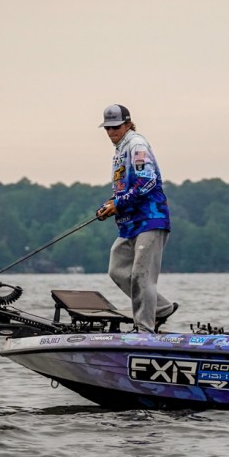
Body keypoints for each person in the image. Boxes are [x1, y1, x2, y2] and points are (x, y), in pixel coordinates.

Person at [96, 104, 177, 332]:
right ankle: (161, 308)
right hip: (129, 225)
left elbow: (147, 181)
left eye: (116, 127)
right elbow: (124, 188)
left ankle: (144, 329)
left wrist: (119, 204)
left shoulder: (137, 145)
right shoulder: (120, 150)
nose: (111, 132)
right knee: (117, 270)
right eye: (108, 128)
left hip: (150, 220)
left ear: (128, 124)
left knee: (142, 276)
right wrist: (110, 205)